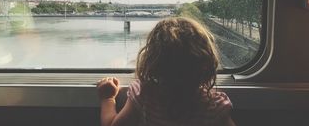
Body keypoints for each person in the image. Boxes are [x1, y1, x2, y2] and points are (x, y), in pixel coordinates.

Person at [97, 17, 235, 126]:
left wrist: (107, 98)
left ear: (152, 62)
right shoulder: (213, 108)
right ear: (206, 64)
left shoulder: (145, 95)